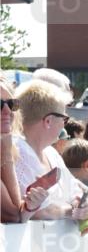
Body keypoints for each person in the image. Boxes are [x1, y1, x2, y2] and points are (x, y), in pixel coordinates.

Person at [13, 81, 88, 220]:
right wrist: (81, 209)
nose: (64, 125)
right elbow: (38, 211)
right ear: (48, 121)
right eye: (64, 119)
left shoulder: (50, 152)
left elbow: (74, 187)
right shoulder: (18, 153)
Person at [1, 77, 48, 223]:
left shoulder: (7, 146)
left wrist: (30, 206)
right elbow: (12, 215)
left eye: (11, 103)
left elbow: (18, 214)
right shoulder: (8, 148)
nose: (7, 110)